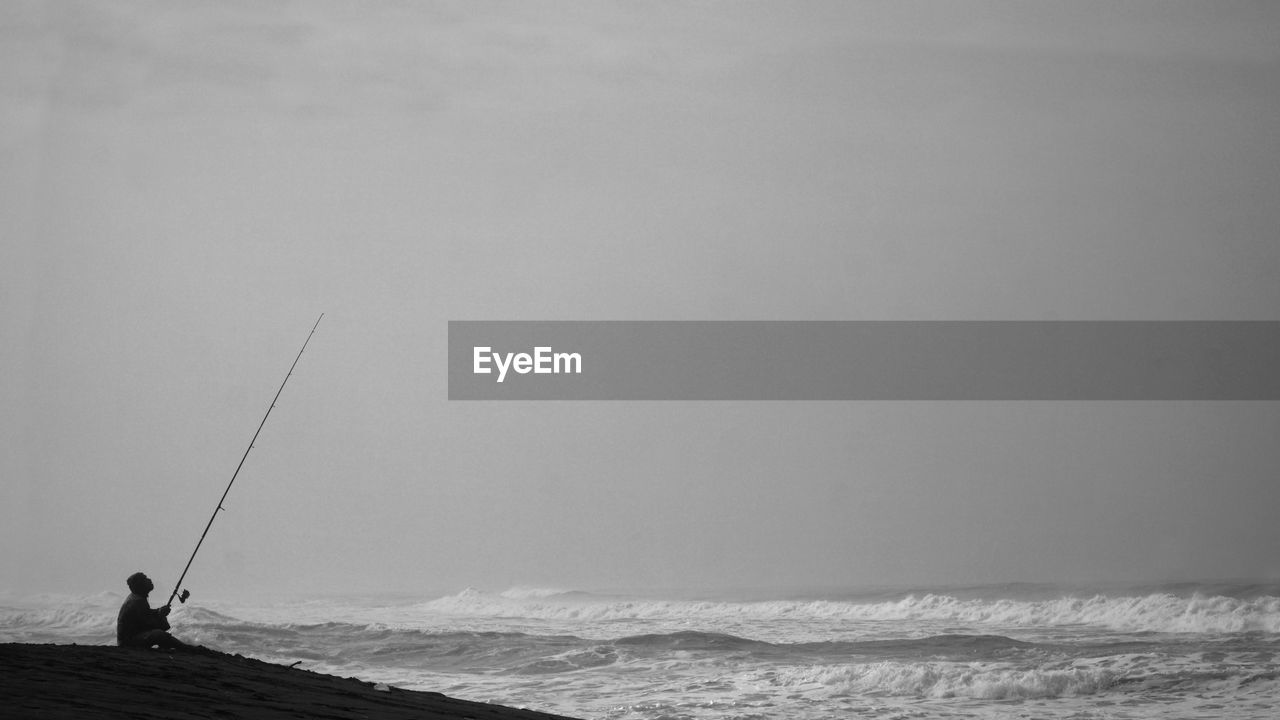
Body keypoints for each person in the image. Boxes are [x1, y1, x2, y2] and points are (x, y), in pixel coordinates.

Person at [116, 572, 189, 650]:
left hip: (128, 640)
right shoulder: (138, 601)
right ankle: (187, 648)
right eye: (145, 579)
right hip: (129, 643)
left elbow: (145, 614)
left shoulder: (136, 597)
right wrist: (160, 615)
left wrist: (158, 611)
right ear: (140, 585)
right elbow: (147, 624)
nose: (149, 580)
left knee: (159, 632)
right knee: (159, 634)